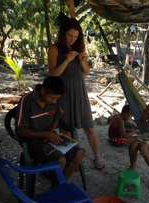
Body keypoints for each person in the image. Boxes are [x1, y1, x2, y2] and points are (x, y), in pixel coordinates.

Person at [48, 17, 104, 170]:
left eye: (75, 36)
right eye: (69, 35)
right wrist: (66, 60)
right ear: (62, 34)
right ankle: (68, 159)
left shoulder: (79, 47)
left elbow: (87, 71)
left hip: (80, 92)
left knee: (89, 128)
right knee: (66, 129)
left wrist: (82, 61)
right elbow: (52, 75)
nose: (73, 39)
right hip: (63, 93)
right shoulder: (54, 49)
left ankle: (97, 157)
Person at [15, 76, 84, 184]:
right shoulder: (26, 101)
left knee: (79, 154)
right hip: (34, 142)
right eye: (52, 98)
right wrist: (45, 134)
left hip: (50, 135)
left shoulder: (55, 100)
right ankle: (58, 186)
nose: (54, 101)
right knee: (60, 161)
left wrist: (51, 130)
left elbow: (57, 117)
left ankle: (58, 186)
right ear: (43, 91)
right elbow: (19, 130)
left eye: (56, 98)